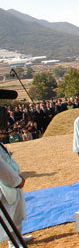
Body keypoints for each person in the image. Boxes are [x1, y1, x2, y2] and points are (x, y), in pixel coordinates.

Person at [0, 105, 33, 246]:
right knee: (10, 216)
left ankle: (18, 237)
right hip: (7, 186)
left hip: (14, 183)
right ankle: (13, 244)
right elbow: (1, 169)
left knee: (17, 215)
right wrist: (16, 181)